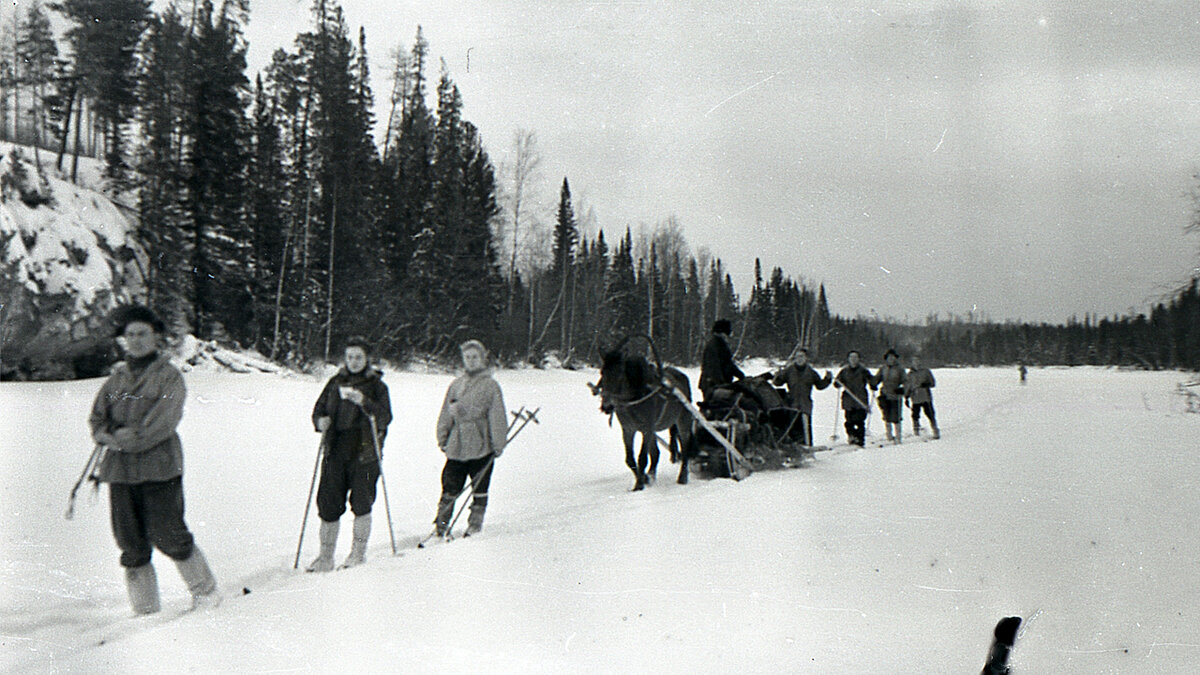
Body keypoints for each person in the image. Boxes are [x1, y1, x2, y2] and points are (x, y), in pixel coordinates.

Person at [88, 305, 219, 614]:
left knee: (168, 532)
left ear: (156, 336)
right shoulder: (116, 379)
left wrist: (125, 439)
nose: (136, 340)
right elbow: (97, 420)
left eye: (142, 334)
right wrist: (108, 437)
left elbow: (164, 421)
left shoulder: (168, 376)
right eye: (130, 334)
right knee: (129, 542)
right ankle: (145, 609)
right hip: (120, 471)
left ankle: (206, 592)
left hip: (159, 466)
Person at [308, 336, 392, 571]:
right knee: (328, 502)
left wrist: (364, 401)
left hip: (365, 450)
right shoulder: (335, 382)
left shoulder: (377, 386)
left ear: (367, 359)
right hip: (336, 448)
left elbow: (385, 417)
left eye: (358, 357)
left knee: (362, 502)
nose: (354, 361)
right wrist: (320, 421)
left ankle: (358, 553)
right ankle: (325, 557)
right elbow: (319, 409)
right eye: (350, 357)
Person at [433, 339, 508, 537]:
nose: (471, 361)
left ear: (483, 358)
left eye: (475, 357)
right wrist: (442, 435)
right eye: (467, 357)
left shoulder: (491, 386)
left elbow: (497, 416)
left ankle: (475, 523)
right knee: (450, 483)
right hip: (457, 444)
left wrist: (498, 442)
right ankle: (441, 524)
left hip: (481, 443)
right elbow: (446, 413)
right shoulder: (456, 385)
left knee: (480, 485)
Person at [772, 348, 832, 445]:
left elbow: (819, 385)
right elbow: (777, 383)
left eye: (801, 356)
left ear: (806, 358)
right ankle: (793, 449)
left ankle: (807, 447)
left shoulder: (811, 372)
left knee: (805, 429)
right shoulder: (789, 370)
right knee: (792, 428)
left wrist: (827, 379)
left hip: (805, 404)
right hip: (792, 404)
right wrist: (777, 376)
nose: (799, 359)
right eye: (797, 357)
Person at [833, 350, 875, 446]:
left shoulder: (864, 371)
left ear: (858, 359)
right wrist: (837, 383)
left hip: (860, 400)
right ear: (848, 359)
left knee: (859, 421)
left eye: (855, 357)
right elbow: (837, 381)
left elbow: (871, 380)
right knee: (849, 421)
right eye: (851, 357)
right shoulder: (844, 371)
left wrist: (873, 385)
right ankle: (852, 437)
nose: (853, 359)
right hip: (848, 401)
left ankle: (860, 440)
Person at [699, 319, 744, 400]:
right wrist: (721, 384)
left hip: (718, 385)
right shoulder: (714, 345)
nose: (728, 336)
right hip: (712, 385)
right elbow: (713, 368)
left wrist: (740, 375)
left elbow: (728, 364)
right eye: (727, 333)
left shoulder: (721, 344)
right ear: (721, 332)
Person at [873, 348, 907, 443]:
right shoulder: (883, 368)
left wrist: (903, 389)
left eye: (893, 357)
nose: (891, 359)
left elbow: (906, 381)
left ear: (896, 358)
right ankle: (889, 435)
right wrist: (873, 384)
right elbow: (877, 379)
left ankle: (898, 436)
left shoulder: (900, 369)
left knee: (896, 417)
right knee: (886, 416)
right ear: (886, 359)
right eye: (889, 357)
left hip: (896, 395)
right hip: (884, 394)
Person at [906, 354, 939, 439]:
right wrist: (906, 396)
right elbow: (908, 386)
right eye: (914, 361)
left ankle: (935, 430)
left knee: (930, 414)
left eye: (917, 361)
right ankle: (916, 431)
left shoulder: (926, 371)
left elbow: (933, 383)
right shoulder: (910, 374)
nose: (916, 363)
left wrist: (927, 384)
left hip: (925, 397)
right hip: (915, 398)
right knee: (915, 415)